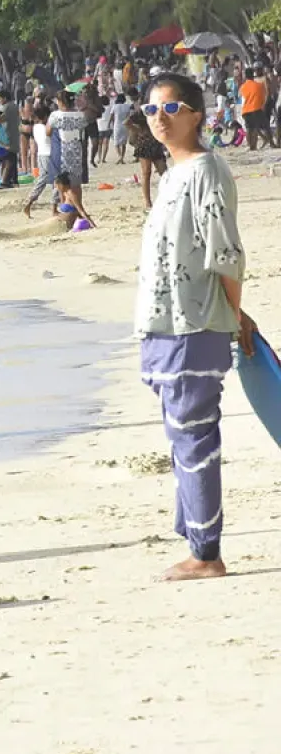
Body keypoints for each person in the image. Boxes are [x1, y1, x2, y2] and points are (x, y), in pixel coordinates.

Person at [136, 73, 255, 582]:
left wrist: (236, 315)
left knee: (194, 437)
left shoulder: (208, 170)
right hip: (163, 324)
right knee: (179, 433)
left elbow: (225, 253)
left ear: (197, 115)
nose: (159, 118)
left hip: (195, 324)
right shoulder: (171, 175)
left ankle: (206, 553)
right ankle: (195, 539)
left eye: (172, 107)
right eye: (150, 109)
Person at [239, 67, 274, 151]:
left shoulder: (242, 87)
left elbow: (241, 98)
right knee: (263, 126)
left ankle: (250, 146)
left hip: (245, 111)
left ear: (245, 76)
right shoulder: (258, 86)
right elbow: (262, 98)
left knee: (249, 129)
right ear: (253, 75)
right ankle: (270, 143)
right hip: (256, 109)